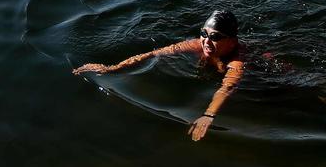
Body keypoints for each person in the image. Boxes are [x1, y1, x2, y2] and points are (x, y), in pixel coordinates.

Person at [73, 10, 246, 142]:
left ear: (232, 41)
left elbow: (228, 86)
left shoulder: (236, 62)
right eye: (203, 33)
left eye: (214, 36)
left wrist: (208, 115)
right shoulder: (196, 45)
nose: (206, 41)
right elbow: (153, 54)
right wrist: (111, 68)